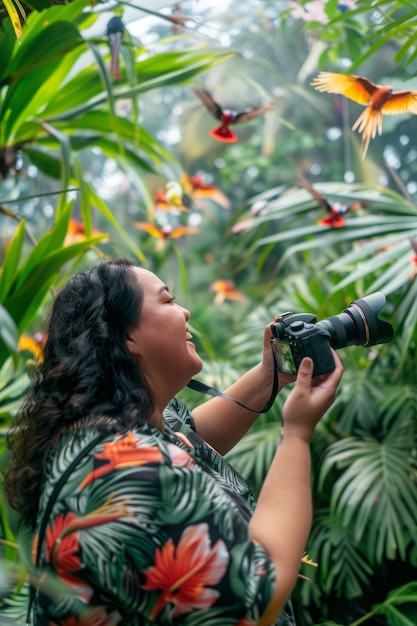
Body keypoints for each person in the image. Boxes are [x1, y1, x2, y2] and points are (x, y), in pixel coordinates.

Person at [4, 257, 343, 626]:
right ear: (126, 335)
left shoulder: (113, 430)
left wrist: (271, 374)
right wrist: (296, 433)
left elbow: (192, 435)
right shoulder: (124, 472)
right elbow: (260, 597)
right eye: (167, 301)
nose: (183, 311)